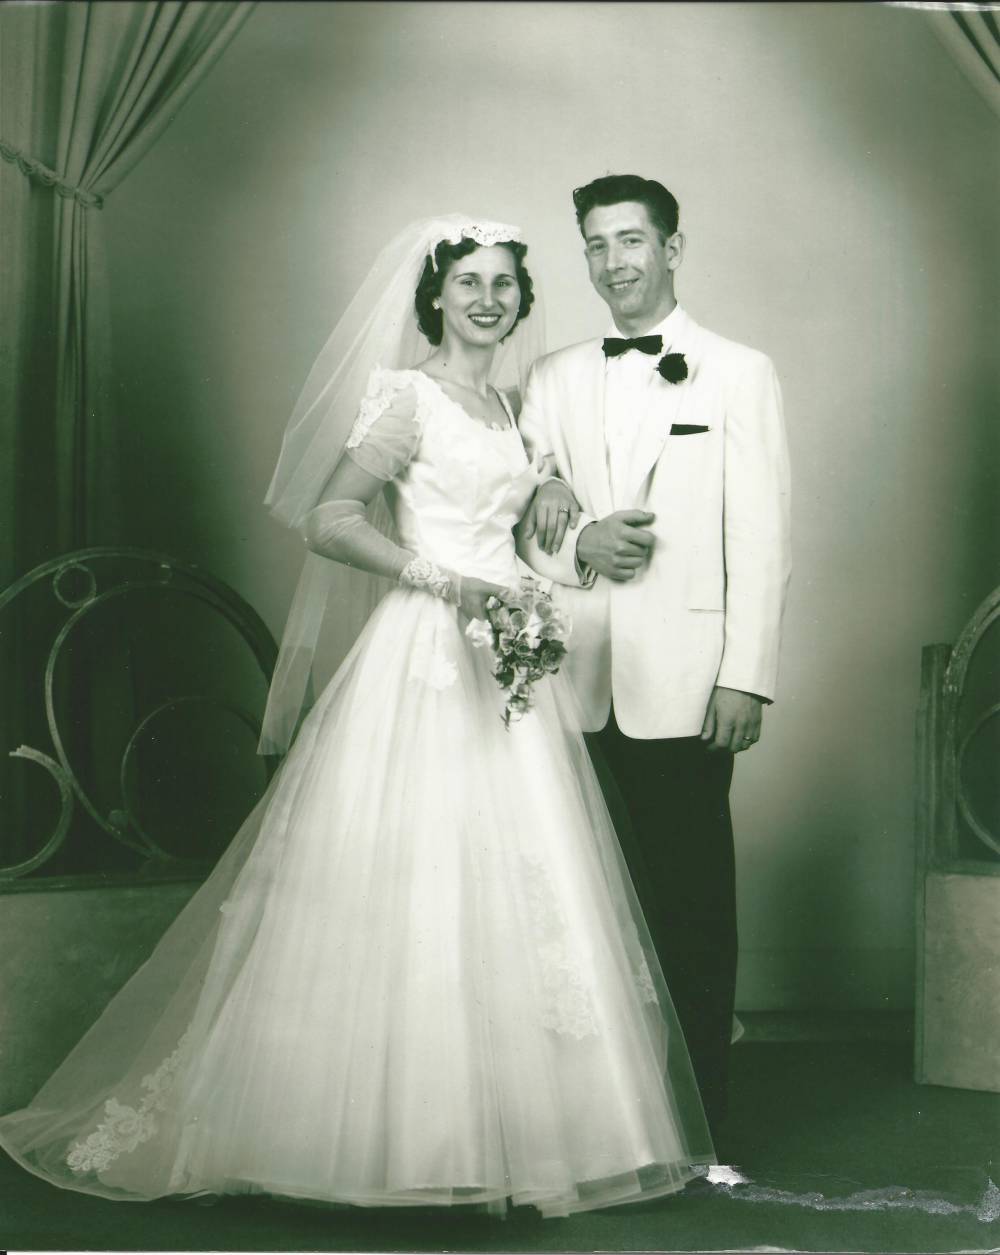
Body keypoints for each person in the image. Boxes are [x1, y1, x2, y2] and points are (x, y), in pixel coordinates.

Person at [0, 215, 715, 1218]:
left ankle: (518, 1129)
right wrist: (443, 578)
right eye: (467, 280)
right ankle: (376, 1129)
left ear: (521, 296)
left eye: (504, 282)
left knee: (520, 885)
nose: (487, 298)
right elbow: (327, 517)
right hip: (422, 659)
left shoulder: (512, 405)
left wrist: (542, 529)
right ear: (435, 295)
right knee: (408, 877)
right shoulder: (409, 399)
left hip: (503, 671)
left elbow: (522, 520)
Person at [517, 175, 792, 1141]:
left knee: (689, 907)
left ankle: (698, 1117)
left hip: (686, 683)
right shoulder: (549, 376)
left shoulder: (739, 370)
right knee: (580, 907)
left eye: (631, 241)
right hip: (571, 680)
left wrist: (745, 672)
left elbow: (761, 536)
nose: (613, 263)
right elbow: (517, 517)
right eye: (595, 245)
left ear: (673, 248)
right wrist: (579, 539)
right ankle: (600, 1116)